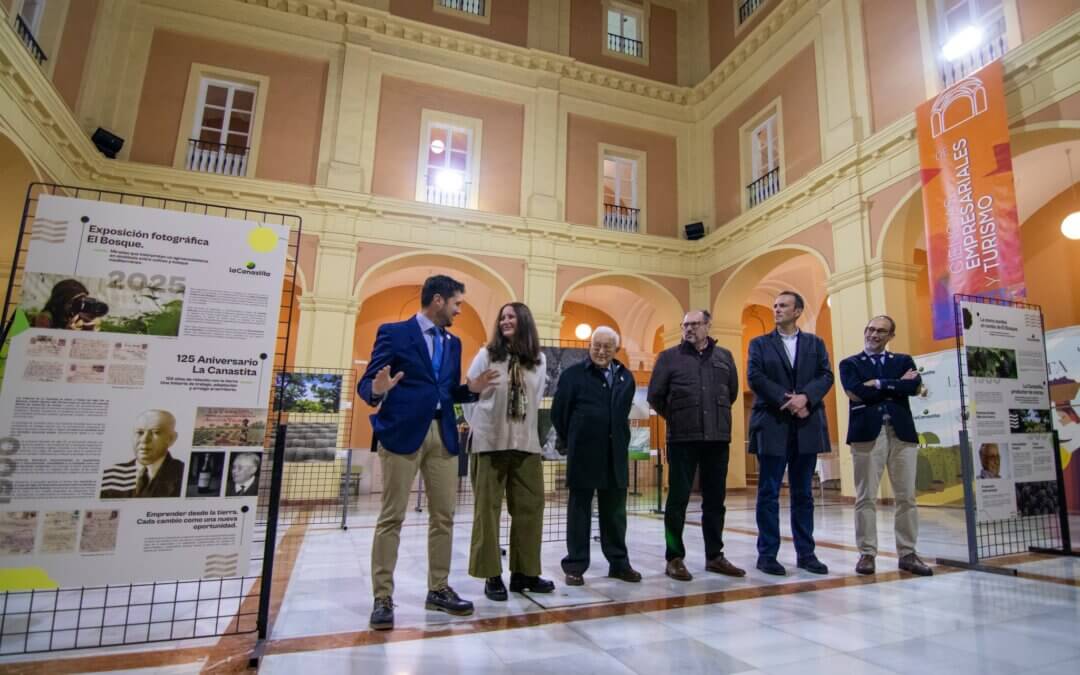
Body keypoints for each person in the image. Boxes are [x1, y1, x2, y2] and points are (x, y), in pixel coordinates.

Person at [357, 274, 498, 631]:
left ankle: (438, 588)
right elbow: (369, 383)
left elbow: (447, 390)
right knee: (392, 517)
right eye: (456, 304)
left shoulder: (452, 343)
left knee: (444, 516)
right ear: (438, 300)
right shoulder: (394, 332)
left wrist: (471, 389)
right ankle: (382, 597)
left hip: (444, 436)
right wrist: (376, 388)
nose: (458, 310)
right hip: (403, 432)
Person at [464, 302, 554, 601]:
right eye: (501, 317)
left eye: (511, 316)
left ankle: (524, 573)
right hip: (490, 443)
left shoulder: (538, 361)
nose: (505, 321)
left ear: (524, 321)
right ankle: (492, 575)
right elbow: (469, 393)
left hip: (525, 444)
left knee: (531, 508)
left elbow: (537, 396)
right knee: (487, 511)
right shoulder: (486, 355)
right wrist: (481, 424)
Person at [648, 309, 745, 581]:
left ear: (708, 326)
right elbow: (656, 396)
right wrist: (680, 416)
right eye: (685, 325)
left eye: (694, 324)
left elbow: (733, 392)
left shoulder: (724, 357)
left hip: (716, 438)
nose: (689, 329)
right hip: (682, 439)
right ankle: (674, 557)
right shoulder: (668, 358)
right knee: (677, 499)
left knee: (716, 501)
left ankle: (715, 556)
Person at [747, 291, 834, 576]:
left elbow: (825, 375)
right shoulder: (759, 344)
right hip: (773, 423)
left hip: (807, 426)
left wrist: (805, 397)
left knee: (803, 494)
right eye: (774, 305)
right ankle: (767, 554)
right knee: (769, 492)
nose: (776, 309)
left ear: (798, 311)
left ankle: (806, 553)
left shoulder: (815, 343)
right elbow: (756, 377)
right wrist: (790, 401)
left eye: (783, 305)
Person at [840, 315, 933, 577]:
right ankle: (867, 553)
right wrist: (896, 385)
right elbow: (857, 392)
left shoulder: (903, 361)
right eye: (870, 329)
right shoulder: (850, 364)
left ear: (890, 336)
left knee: (906, 497)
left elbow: (914, 386)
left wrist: (879, 383)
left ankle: (907, 552)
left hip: (901, 434)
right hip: (867, 434)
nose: (874, 335)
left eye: (881, 331)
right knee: (865, 496)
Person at [551, 326, 641, 586]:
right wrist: (574, 439)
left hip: (615, 455)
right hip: (584, 454)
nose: (601, 351)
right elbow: (559, 413)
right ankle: (575, 566)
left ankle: (619, 563)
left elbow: (623, 413)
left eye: (607, 347)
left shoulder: (626, 377)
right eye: (596, 346)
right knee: (579, 512)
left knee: (615, 514)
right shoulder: (573, 376)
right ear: (589, 346)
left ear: (616, 349)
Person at [100, 410, 185, 498]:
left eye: (155, 432)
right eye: (140, 432)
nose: (144, 440)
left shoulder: (182, 473)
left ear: (171, 438)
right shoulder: (112, 475)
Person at [32, 278, 109, 330]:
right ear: (59, 302)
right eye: (75, 302)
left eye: (84, 299)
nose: (81, 305)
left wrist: (88, 329)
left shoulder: (73, 318)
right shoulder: (45, 317)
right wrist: (67, 334)